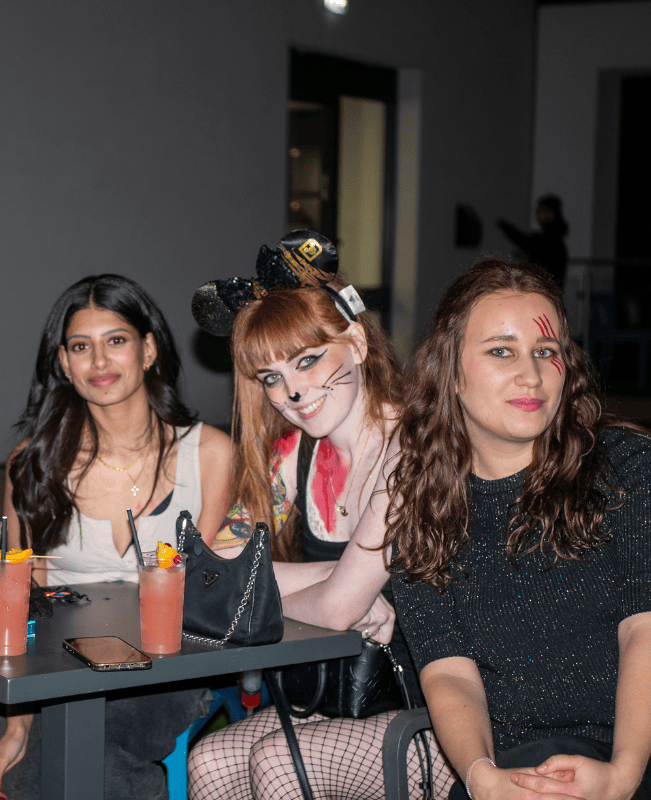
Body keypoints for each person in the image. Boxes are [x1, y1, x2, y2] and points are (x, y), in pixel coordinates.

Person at [386, 257, 651, 800]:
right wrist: (481, 777)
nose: (530, 374)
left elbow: (650, 633)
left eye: (545, 353)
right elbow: (448, 675)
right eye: (501, 351)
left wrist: (621, 777)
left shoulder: (627, 468)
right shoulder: (424, 507)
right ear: (451, 373)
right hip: (516, 766)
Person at [186, 231, 455, 800]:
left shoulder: (414, 451)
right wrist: (329, 580)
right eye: (271, 377)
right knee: (210, 759)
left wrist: (330, 596)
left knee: (279, 765)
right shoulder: (295, 456)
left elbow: (333, 612)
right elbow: (214, 571)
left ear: (356, 343)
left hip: (443, 709)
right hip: (344, 700)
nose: (291, 392)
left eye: (308, 361)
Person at [0, 274, 232, 800]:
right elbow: (20, 599)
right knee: (25, 760)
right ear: (64, 363)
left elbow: (210, 587)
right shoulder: (33, 465)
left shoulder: (209, 454)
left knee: (97, 749)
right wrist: (17, 722)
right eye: (81, 347)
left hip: (167, 666)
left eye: (117, 341)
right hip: (56, 663)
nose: (99, 362)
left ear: (149, 349)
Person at [496, 195, 569, 288]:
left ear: (551, 214)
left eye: (541, 210)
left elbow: (523, 241)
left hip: (546, 290)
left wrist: (504, 226)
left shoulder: (549, 240)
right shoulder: (552, 240)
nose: (537, 213)